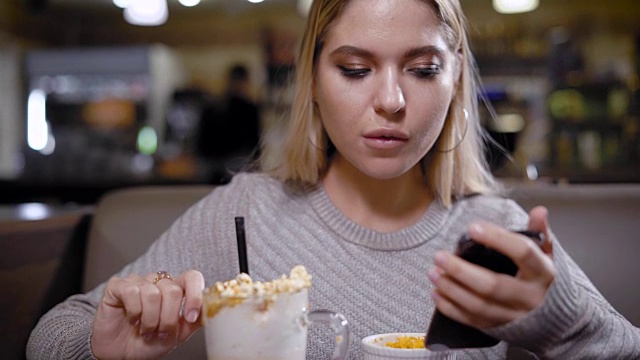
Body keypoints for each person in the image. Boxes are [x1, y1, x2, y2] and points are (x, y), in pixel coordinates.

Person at [28, 0, 639, 359]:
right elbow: (50, 337)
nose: (392, 100)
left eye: (423, 69)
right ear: (315, 83)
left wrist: (566, 324)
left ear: (455, 86)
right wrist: (101, 345)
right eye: (354, 69)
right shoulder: (246, 215)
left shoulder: (498, 233)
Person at [197, 63, 262, 184]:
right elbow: (255, 141)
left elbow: (201, 142)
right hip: (238, 167)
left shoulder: (213, 107)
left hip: (213, 169)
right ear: (245, 81)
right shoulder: (249, 108)